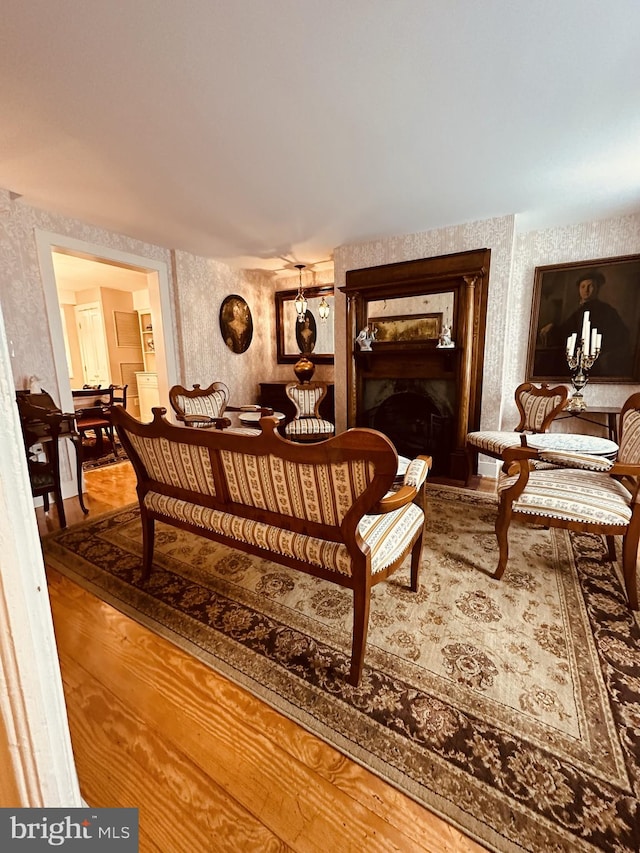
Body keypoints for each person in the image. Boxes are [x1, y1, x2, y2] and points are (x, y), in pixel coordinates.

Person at [537, 271, 631, 376]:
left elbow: (622, 335)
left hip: (593, 360)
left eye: (590, 286)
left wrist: (603, 352)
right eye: (583, 286)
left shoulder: (607, 311)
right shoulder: (577, 311)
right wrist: (553, 327)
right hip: (574, 358)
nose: (586, 290)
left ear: (597, 289)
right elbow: (566, 331)